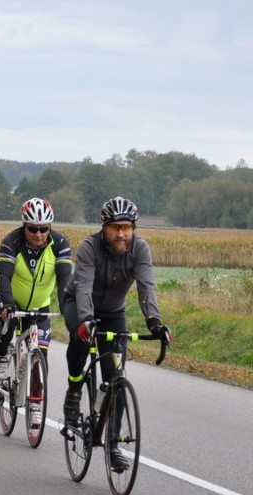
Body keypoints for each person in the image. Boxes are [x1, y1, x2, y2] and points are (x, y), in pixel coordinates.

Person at [62, 196, 172, 472]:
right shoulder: (90, 247)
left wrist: (154, 322)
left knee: (117, 378)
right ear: (104, 228)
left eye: (126, 227)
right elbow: (84, 286)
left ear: (133, 228)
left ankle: (113, 446)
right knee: (80, 339)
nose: (121, 234)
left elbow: (147, 287)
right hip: (78, 303)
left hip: (113, 313)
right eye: (115, 228)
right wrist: (86, 322)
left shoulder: (140, 249)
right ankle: (75, 389)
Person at [0, 198, 73, 390]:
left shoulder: (60, 244)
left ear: (50, 227)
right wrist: (8, 304)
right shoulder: (12, 242)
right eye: (32, 229)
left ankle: (36, 404)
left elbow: (64, 282)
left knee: (41, 356)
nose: (38, 234)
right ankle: (2, 356)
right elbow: (3, 275)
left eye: (44, 229)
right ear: (24, 226)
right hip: (8, 295)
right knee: (8, 320)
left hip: (39, 303)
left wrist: (67, 308)